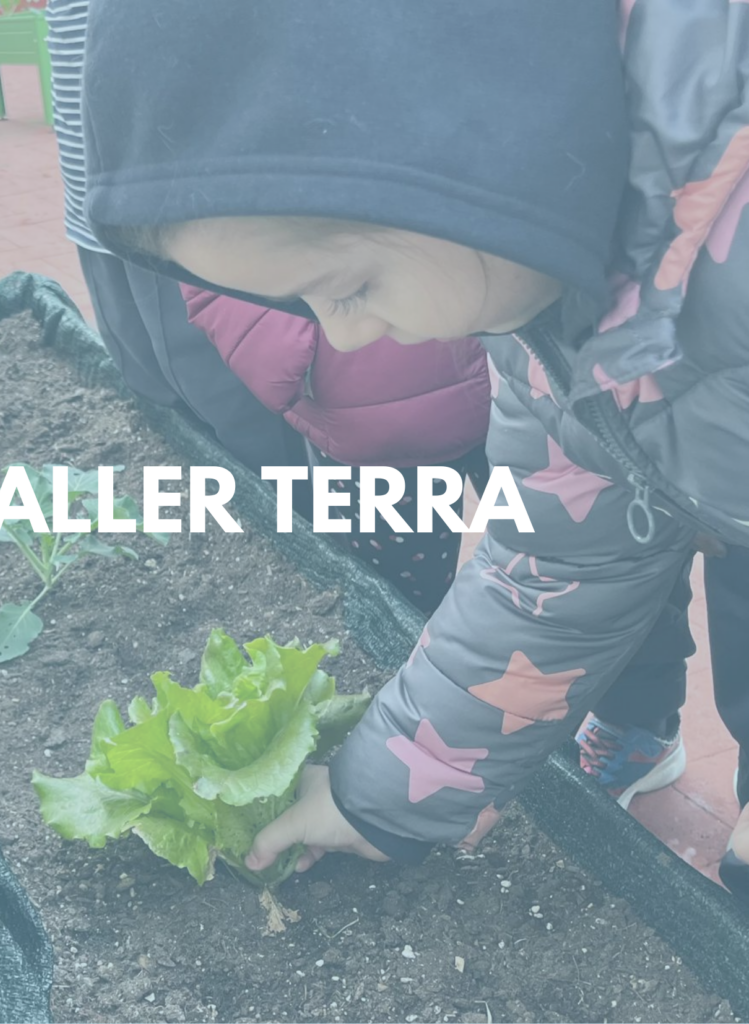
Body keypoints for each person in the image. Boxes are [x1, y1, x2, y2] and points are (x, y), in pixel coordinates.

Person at [80, 1, 749, 888]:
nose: (346, 339)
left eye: (350, 287)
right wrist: (379, 794)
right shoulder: (544, 301)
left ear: (469, 134)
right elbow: (553, 566)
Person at [46, 0, 305, 476]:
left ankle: (295, 535)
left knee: (237, 405)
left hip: (184, 200)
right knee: (150, 385)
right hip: (93, 192)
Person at [179, 284, 491, 616]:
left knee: (539, 552)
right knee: (409, 599)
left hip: (513, 377)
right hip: (370, 417)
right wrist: (288, 348)